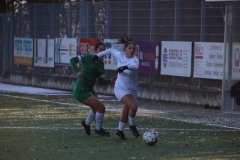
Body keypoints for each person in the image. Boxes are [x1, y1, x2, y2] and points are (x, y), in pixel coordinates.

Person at [92, 35, 140, 140]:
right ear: (125, 50)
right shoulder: (121, 55)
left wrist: (125, 67)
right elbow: (111, 50)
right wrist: (97, 56)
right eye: (130, 48)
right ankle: (132, 126)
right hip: (120, 88)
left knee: (126, 111)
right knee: (134, 106)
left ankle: (120, 131)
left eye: (134, 48)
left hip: (132, 89)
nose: (132, 50)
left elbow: (134, 67)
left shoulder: (135, 60)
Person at [70, 42, 117, 137]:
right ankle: (98, 129)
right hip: (81, 89)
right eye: (100, 50)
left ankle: (86, 124)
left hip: (89, 89)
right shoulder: (88, 57)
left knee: (96, 108)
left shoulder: (101, 65)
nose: (102, 52)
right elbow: (72, 60)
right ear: (95, 50)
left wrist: (110, 81)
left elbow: (101, 81)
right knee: (101, 108)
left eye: (105, 50)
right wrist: (77, 71)